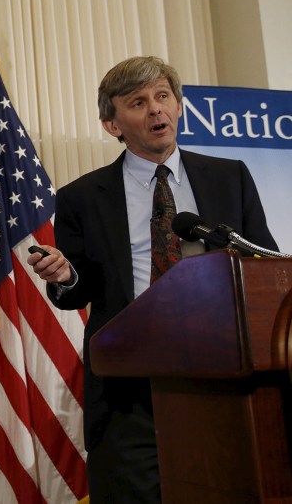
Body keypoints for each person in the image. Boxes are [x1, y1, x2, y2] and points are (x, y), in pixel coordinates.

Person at [27, 55, 277, 503]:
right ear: (113, 124)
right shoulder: (81, 197)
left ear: (179, 106)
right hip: (130, 386)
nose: (156, 109)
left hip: (225, 374)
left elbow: (263, 263)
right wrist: (65, 274)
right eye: (138, 102)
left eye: (163, 96)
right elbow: (77, 289)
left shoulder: (229, 177)